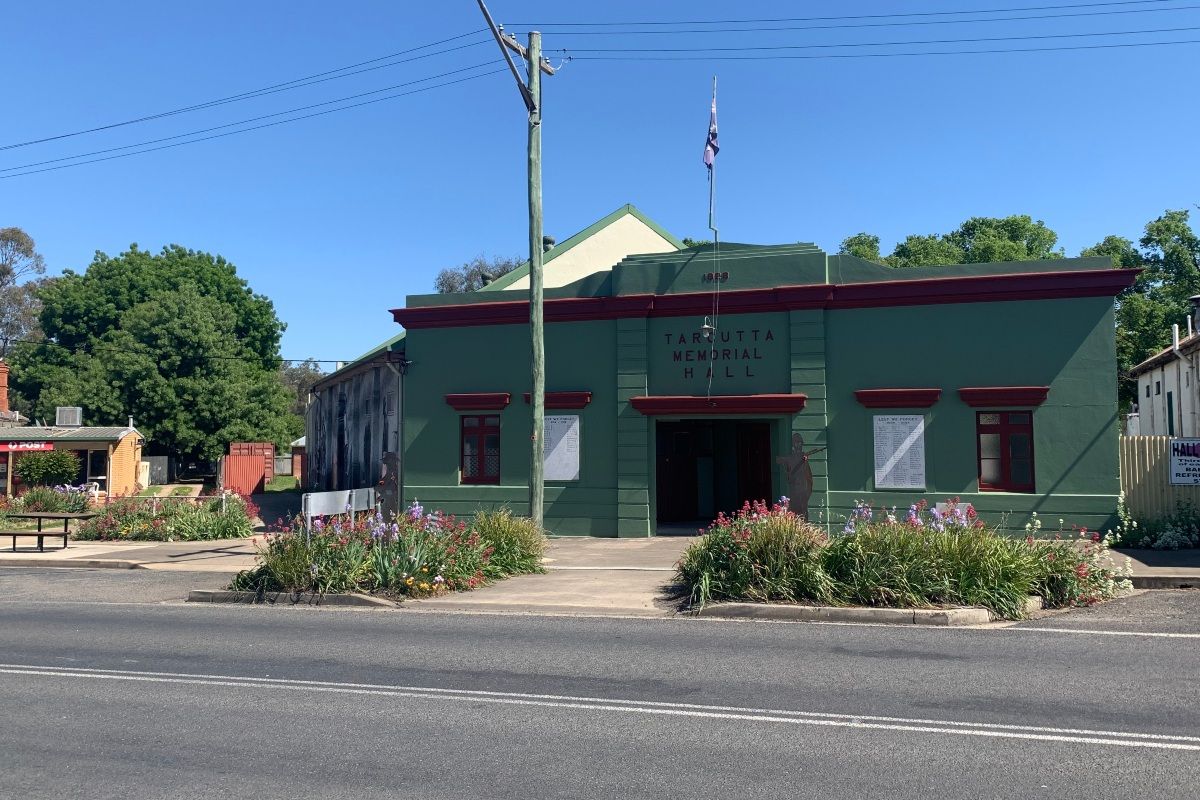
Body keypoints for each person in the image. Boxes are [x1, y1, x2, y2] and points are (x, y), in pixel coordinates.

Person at [776, 433, 825, 520]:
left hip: (803, 489)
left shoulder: (803, 457)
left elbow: (808, 476)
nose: (798, 445)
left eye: (800, 443)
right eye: (796, 443)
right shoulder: (790, 457)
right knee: (794, 511)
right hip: (794, 489)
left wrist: (805, 461)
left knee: (803, 512)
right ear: (793, 444)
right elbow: (786, 468)